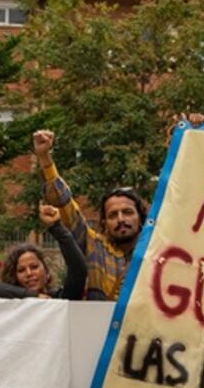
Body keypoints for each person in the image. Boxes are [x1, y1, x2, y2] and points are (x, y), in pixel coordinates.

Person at [31, 128, 147, 300]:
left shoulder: (157, 253)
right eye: (113, 215)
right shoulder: (94, 247)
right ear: (104, 222)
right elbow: (64, 204)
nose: (121, 219)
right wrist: (44, 156)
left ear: (141, 217)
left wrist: (198, 133)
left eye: (127, 212)